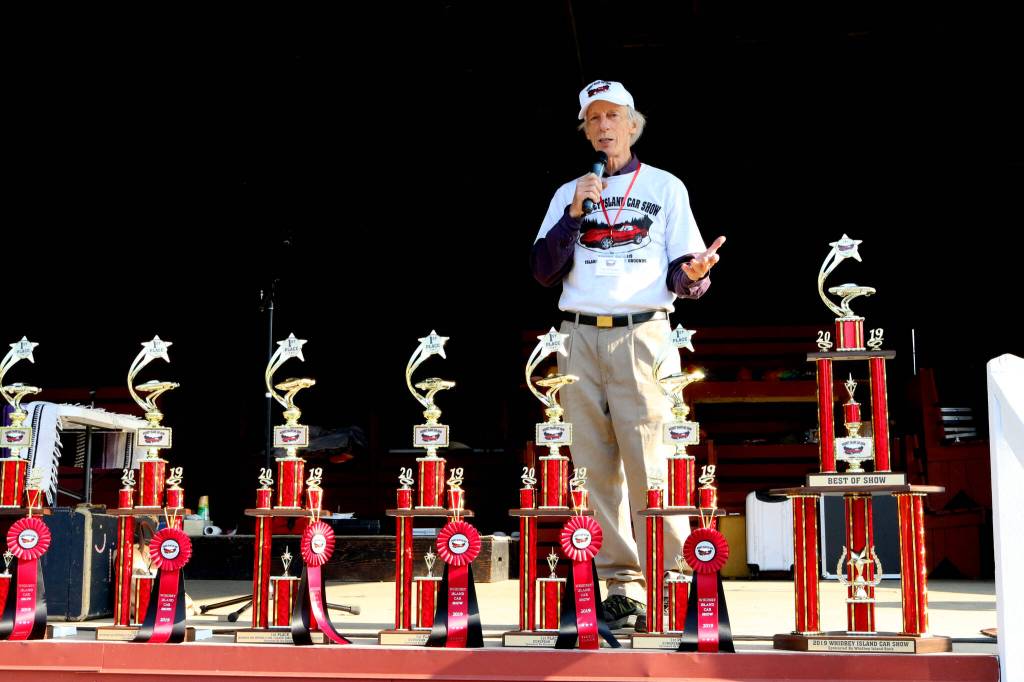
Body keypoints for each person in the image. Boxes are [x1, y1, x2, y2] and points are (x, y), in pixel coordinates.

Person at [530, 79, 725, 631]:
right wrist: (573, 215)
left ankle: (677, 580)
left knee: (653, 461)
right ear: (585, 130)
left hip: (643, 333)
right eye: (592, 119)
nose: (603, 127)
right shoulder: (570, 190)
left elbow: (685, 270)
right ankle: (623, 586)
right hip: (578, 336)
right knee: (592, 467)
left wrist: (693, 278)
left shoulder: (665, 187)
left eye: (612, 116)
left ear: (633, 125)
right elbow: (543, 270)